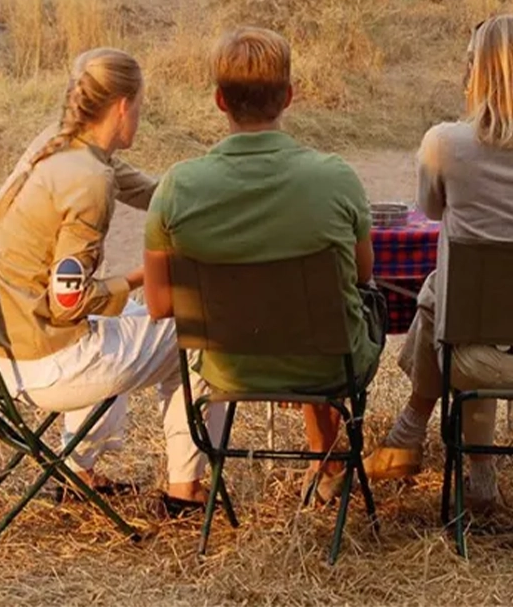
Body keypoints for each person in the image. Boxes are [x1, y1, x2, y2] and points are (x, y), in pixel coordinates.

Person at [0, 48, 223, 516]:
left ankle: (78, 472)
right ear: (123, 106)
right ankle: (187, 490)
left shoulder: (61, 146)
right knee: (198, 333)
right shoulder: (89, 181)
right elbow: (70, 304)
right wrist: (141, 278)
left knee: (126, 320)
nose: (140, 119)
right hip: (43, 361)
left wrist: (212, 194)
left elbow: (150, 191)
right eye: (141, 108)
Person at [362, 14, 513, 512]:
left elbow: (430, 211)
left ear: (475, 72)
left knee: (446, 297)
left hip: (481, 356)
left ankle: (439, 444)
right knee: (448, 293)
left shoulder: (446, 142)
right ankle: (452, 456)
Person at [142, 27, 384, 502]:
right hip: (325, 367)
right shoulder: (335, 178)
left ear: (218, 101)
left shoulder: (176, 187)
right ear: (289, 96)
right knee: (350, 309)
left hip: (230, 370)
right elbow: (359, 275)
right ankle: (332, 461)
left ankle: (327, 460)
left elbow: (158, 303)